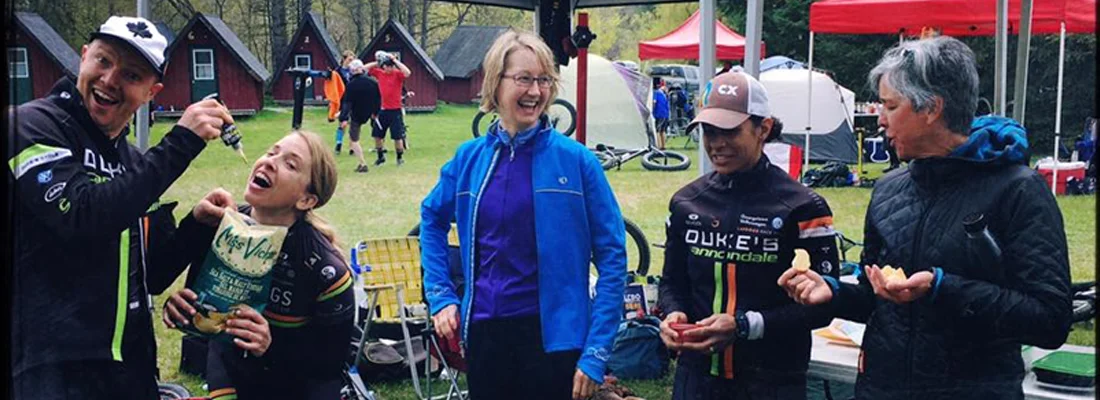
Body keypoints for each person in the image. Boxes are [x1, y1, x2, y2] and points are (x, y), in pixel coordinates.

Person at [778, 36, 1072, 399]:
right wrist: (834, 292)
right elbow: (877, 299)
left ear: (931, 109)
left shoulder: (1019, 190)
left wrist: (941, 288)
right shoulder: (888, 190)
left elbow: (1050, 320)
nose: (880, 120)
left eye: (890, 106)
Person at [8, 16, 231, 399]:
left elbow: (151, 273)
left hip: (129, 367)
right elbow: (81, 216)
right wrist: (180, 143)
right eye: (103, 61)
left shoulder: (134, 163)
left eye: (131, 75)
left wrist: (196, 224)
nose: (110, 80)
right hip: (49, 367)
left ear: (151, 92)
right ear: (83, 57)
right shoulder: (30, 125)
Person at [420, 29, 627, 400]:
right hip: (484, 333)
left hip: (555, 341)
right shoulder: (469, 159)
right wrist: (441, 296)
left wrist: (596, 353)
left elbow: (613, 258)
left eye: (544, 79)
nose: (535, 91)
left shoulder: (578, 161)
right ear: (495, 83)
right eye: (524, 79)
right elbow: (431, 218)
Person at [658, 71, 840, 400]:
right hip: (696, 379)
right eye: (708, 131)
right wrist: (673, 315)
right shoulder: (687, 202)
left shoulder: (803, 207)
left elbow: (824, 307)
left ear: (764, 129)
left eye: (729, 131)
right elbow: (672, 283)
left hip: (771, 381)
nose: (716, 143)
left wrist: (744, 326)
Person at [158, 130, 355, 399]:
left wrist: (270, 346)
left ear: (307, 200)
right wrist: (182, 308)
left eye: (290, 164)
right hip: (228, 367)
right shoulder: (223, 227)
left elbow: (329, 368)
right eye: (271, 152)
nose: (270, 162)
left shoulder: (326, 271)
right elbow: (205, 318)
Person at [365, 50, 411, 166]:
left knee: (397, 136)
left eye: (391, 66)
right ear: (383, 66)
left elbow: (407, 72)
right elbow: (364, 68)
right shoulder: (380, 73)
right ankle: (380, 157)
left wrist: (395, 60)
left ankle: (399, 158)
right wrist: (377, 62)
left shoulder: (397, 74)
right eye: (387, 65)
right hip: (383, 110)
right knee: (377, 134)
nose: (389, 68)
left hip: (395, 110)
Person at [340, 59, 382, 173]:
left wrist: (343, 118)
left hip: (357, 114)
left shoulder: (351, 85)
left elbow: (347, 103)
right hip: (370, 111)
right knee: (378, 133)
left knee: (354, 139)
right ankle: (380, 155)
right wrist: (376, 112)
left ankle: (362, 163)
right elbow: (378, 99)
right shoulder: (373, 82)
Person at [331, 50, 356, 154]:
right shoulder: (337, 72)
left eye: (353, 60)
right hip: (342, 100)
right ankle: (339, 143)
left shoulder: (354, 71)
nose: (351, 62)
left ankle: (352, 147)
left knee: (353, 124)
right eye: (349, 59)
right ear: (344, 59)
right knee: (343, 124)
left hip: (354, 99)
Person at [653, 78, 670, 150]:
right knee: (663, 131)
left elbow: (654, 102)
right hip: (666, 114)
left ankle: (658, 146)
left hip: (659, 114)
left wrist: (652, 110)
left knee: (657, 130)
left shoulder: (656, 93)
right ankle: (663, 146)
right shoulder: (664, 94)